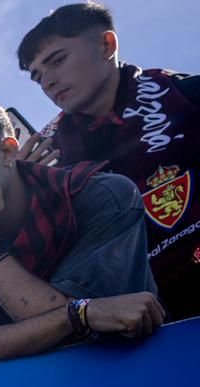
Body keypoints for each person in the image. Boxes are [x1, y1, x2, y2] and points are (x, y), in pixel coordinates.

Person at [0, 98, 164, 376]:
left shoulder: (99, 195)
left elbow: (81, 340)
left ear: (7, 152)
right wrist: (77, 315)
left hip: (135, 377)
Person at [19, 2, 200, 321]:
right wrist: (20, 196)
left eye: (57, 60)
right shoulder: (49, 155)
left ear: (107, 45)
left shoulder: (186, 95)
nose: (47, 81)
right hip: (133, 326)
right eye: (38, 77)